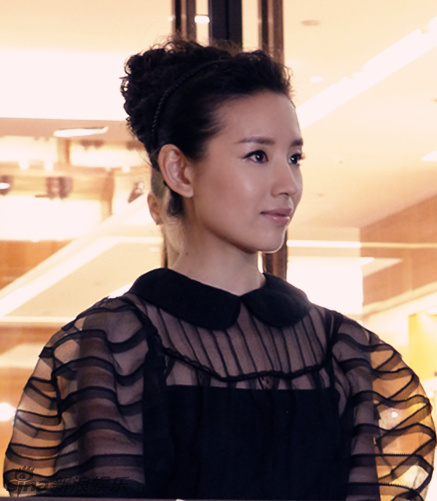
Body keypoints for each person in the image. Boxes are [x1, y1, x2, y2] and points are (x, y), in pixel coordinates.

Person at [3, 37, 436, 500]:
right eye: (257, 156)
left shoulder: (345, 350)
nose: (288, 184)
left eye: (294, 158)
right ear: (179, 170)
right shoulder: (116, 344)